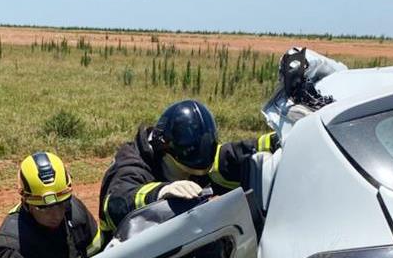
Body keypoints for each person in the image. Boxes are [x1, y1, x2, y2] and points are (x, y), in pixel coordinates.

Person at [98, 99, 273, 238]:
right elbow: (116, 203)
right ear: (167, 152)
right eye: (186, 172)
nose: (190, 178)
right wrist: (160, 192)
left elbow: (231, 156)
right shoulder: (131, 162)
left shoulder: (192, 157)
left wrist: (275, 142)